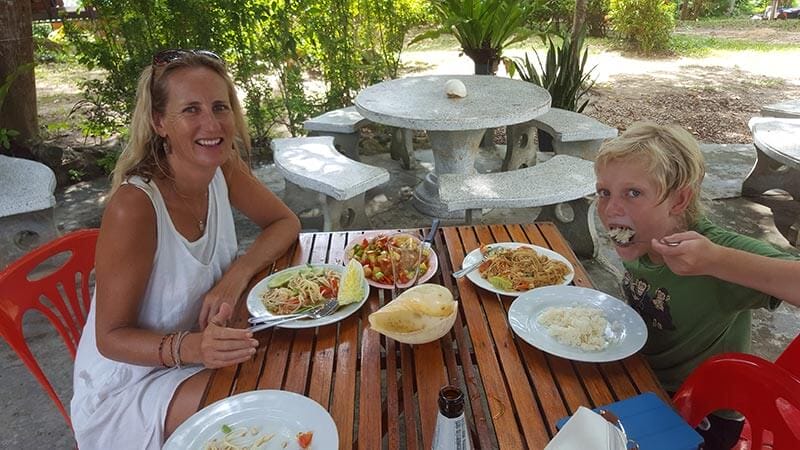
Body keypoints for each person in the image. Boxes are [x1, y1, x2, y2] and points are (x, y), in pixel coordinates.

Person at [70, 49, 301, 449]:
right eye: (191, 110)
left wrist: (236, 275)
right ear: (160, 123)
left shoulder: (221, 167)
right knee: (267, 410)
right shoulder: (135, 205)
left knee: (291, 369)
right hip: (131, 387)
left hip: (202, 349)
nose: (211, 125)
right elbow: (110, 338)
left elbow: (285, 223)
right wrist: (193, 347)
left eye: (219, 107)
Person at [594, 122, 800, 450]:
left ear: (679, 201)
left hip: (703, 411)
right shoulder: (640, 238)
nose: (610, 209)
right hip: (640, 377)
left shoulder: (712, 250)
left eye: (633, 193)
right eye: (604, 192)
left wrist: (715, 261)